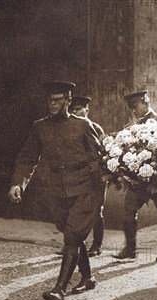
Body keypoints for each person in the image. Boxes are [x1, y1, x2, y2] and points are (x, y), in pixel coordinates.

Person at [8, 81, 104, 300]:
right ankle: (88, 277)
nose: (52, 104)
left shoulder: (83, 125)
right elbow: (28, 158)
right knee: (71, 233)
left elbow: (100, 159)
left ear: (68, 101)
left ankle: (59, 289)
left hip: (84, 190)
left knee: (72, 236)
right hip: (56, 191)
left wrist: (99, 194)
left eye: (58, 100)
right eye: (50, 100)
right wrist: (18, 184)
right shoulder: (39, 127)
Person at [113, 90, 157, 262]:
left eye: (136, 106)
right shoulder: (132, 125)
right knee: (128, 210)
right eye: (131, 108)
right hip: (139, 181)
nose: (133, 111)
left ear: (146, 102)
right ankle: (131, 248)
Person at [69, 96, 106, 256]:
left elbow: (103, 153)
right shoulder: (70, 128)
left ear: (87, 110)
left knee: (97, 211)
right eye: (73, 109)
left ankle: (97, 245)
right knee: (73, 211)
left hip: (95, 176)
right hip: (77, 176)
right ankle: (72, 244)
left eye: (79, 109)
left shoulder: (95, 128)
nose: (75, 112)